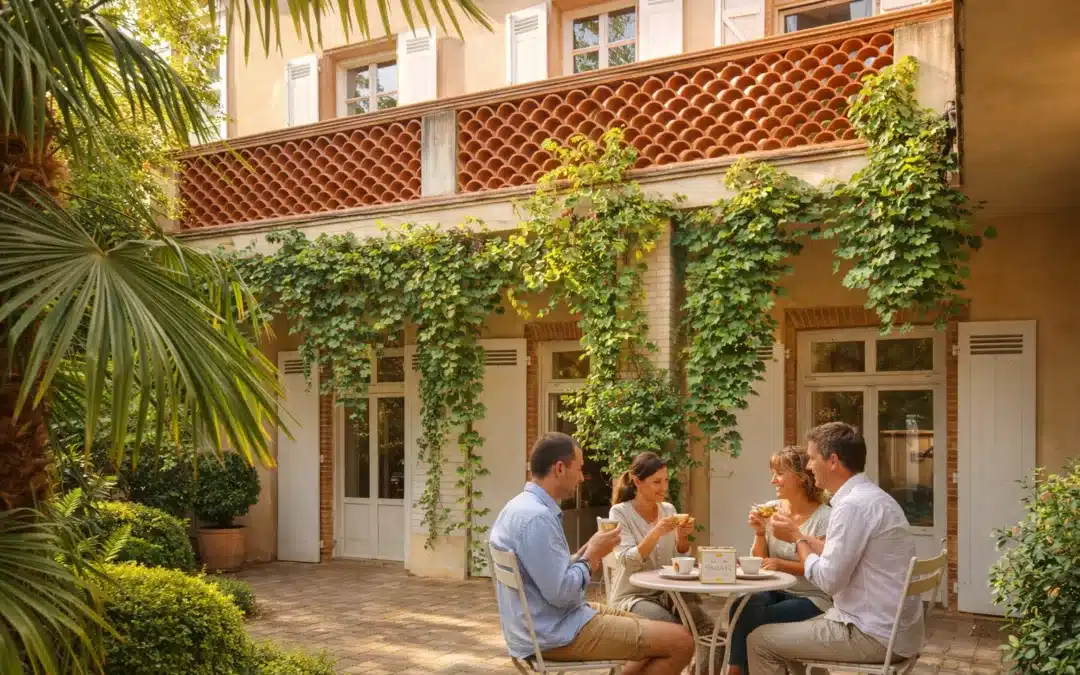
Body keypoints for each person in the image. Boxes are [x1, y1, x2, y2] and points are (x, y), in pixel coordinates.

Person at [490, 432, 695, 675]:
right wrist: (591, 558)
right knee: (681, 641)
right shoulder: (537, 518)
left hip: (546, 624)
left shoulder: (518, 507)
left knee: (658, 631)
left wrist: (586, 550)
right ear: (559, 468)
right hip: (557, 632)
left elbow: (547, 573)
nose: (581, 477)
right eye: (579, 469)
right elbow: (562, 593)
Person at [747, 422, 924, 675]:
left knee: (761, 641)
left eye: (811, 458)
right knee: (789, 637)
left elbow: (828, 581)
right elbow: (840, 549)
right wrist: (799, 537)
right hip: (897, 631)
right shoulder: (874, 497)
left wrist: (797, 539)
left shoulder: (851, 506)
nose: (808, 466)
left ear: (832, 461)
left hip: (871, 633)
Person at [726, 446, 832, 675]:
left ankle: (735, 671)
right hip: (775, 590)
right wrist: (759, 533)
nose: (773, 480)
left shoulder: (825, 518)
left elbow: (821, 567)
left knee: (757, 618)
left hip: (812, 597)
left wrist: (781, 565)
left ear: (802, 478)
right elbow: (761, 561)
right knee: (741, 605)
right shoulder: (771, 510)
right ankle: (736, 669)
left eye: (779, 474)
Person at [606, 452, 711, 629]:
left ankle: (706, 658)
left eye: (666, 480)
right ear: (637, 482)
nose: (664, 487)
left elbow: (678, 561)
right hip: (634, 597)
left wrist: (683, 537)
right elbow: (628, 561)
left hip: (668, 593)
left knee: (707, 627)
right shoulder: (620, 513)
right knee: (675, 630)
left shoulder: (668, 510)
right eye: (657, 482)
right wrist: (656, 532)